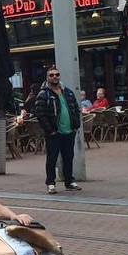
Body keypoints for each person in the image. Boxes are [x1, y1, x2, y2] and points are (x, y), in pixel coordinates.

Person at [34, 65, 82, 194]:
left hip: (69, 131)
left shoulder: (68, 91)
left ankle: (69, 181)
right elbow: (40, 113)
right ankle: (50, 183)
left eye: (57, 75)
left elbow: (75, 108)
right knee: (52, 158)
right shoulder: (44, 94)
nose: (55, 77)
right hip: (54, 132)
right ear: (47, 78)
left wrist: (76, 126)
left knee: (68, 156)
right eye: (51, 75)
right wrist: (50, 130)